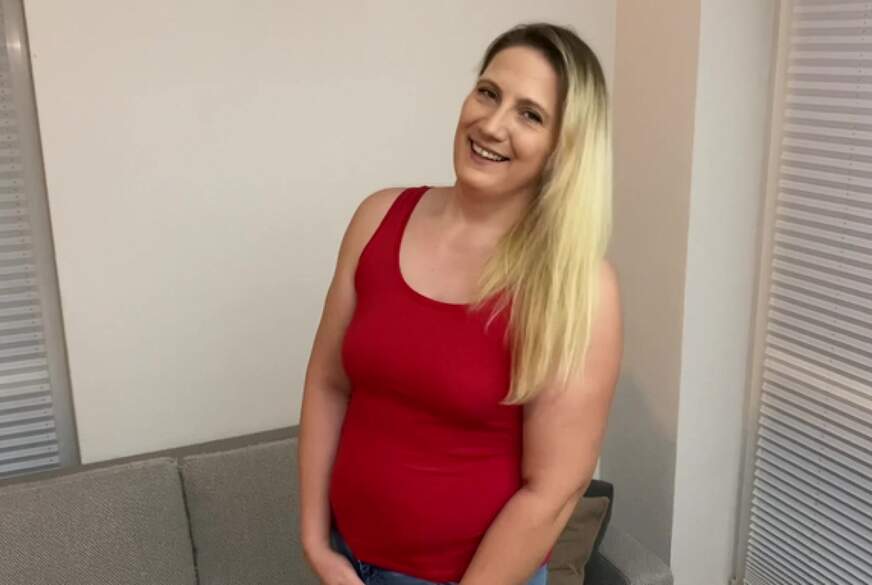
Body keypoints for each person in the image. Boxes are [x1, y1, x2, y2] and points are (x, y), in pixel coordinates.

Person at [298, 21, 623, 585]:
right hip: (345, 560)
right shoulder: (377, 217)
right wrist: (315, 542)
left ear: (563, 148)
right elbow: (328, 383)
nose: (492, 125)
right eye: (488, 93)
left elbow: (552, 491)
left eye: (530, 115)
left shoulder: (580, 286)